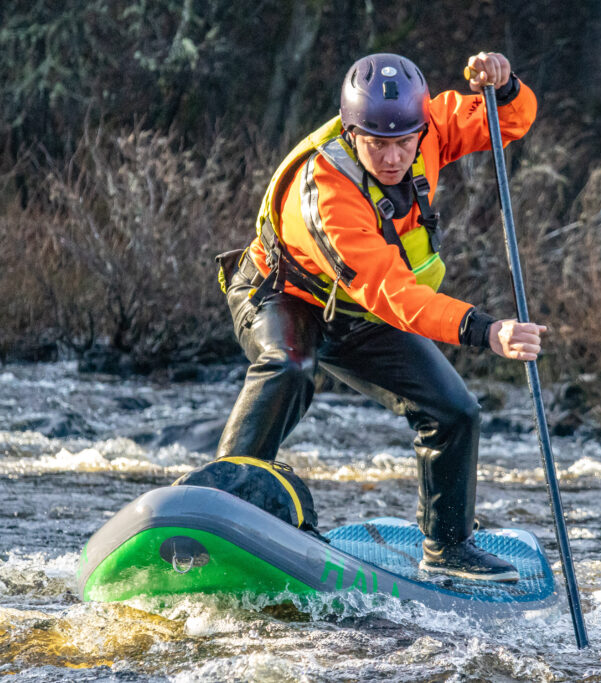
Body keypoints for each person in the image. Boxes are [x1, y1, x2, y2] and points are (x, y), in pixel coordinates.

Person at [216, 51, 543, 582]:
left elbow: (508, 121)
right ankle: (219, 500)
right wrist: (487, 329)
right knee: (290, 366)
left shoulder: (430, 127)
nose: (392, 157)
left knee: (455, 412)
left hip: (355, 309)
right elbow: (393, 294)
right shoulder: (327, 193)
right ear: (351, 133)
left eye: (403, 142)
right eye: (376, 143)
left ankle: (449, 547)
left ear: (420, 128)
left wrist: (503, 85)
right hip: (283, 293)